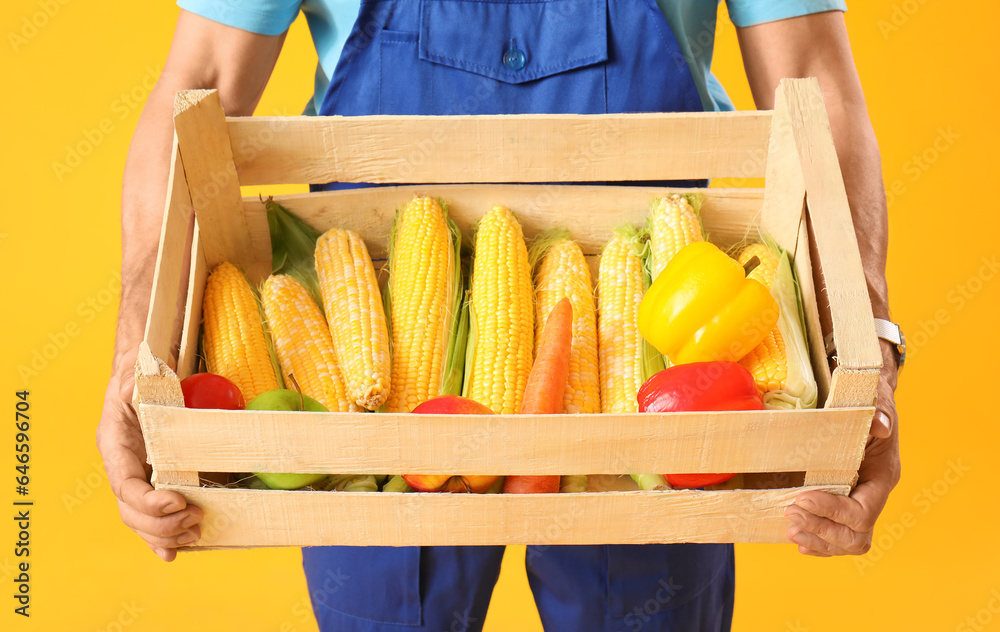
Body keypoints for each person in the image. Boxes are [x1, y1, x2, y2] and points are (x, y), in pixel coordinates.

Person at [97, 2, 902, 630]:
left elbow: (814, 79)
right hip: (381, 353)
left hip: (650, 363)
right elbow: (195, 79)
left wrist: (868, 343)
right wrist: (135, 348)